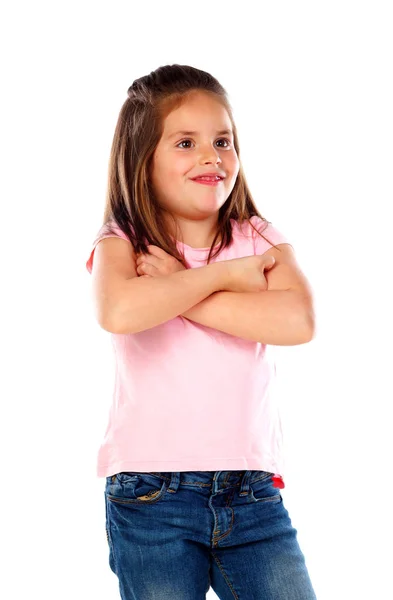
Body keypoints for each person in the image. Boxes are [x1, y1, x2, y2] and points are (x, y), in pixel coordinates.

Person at [85, 64, 317, 599]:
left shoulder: (258, 237)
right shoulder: (125, 242)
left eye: (222, 141)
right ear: (142, 160)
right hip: (151, 497)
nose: (212, 156)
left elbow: (297, 322)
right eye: (185, 143)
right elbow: (120, 311)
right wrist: (224, 280)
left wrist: (184, 288)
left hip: (252, 495)